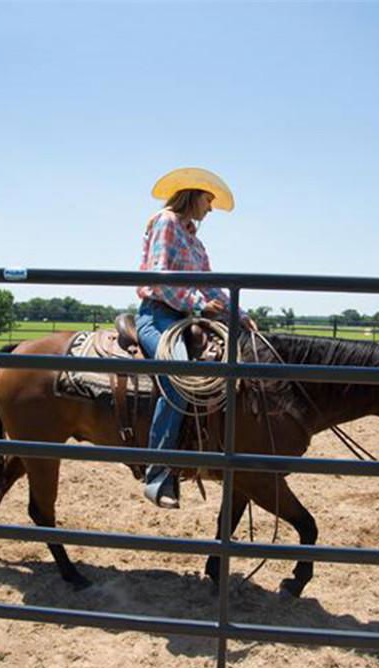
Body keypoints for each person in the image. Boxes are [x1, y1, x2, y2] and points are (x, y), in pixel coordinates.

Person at [135, 167, 257, 509]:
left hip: (186, 317)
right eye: (209, 198)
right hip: (158, 314)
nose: (211, 208)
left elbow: (210, 285)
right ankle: (158, 475)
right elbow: (160, 279)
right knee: (179, 381)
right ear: (193, 194)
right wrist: (201, 304)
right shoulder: (166, 222)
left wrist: (240, 315)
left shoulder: (197, 242)